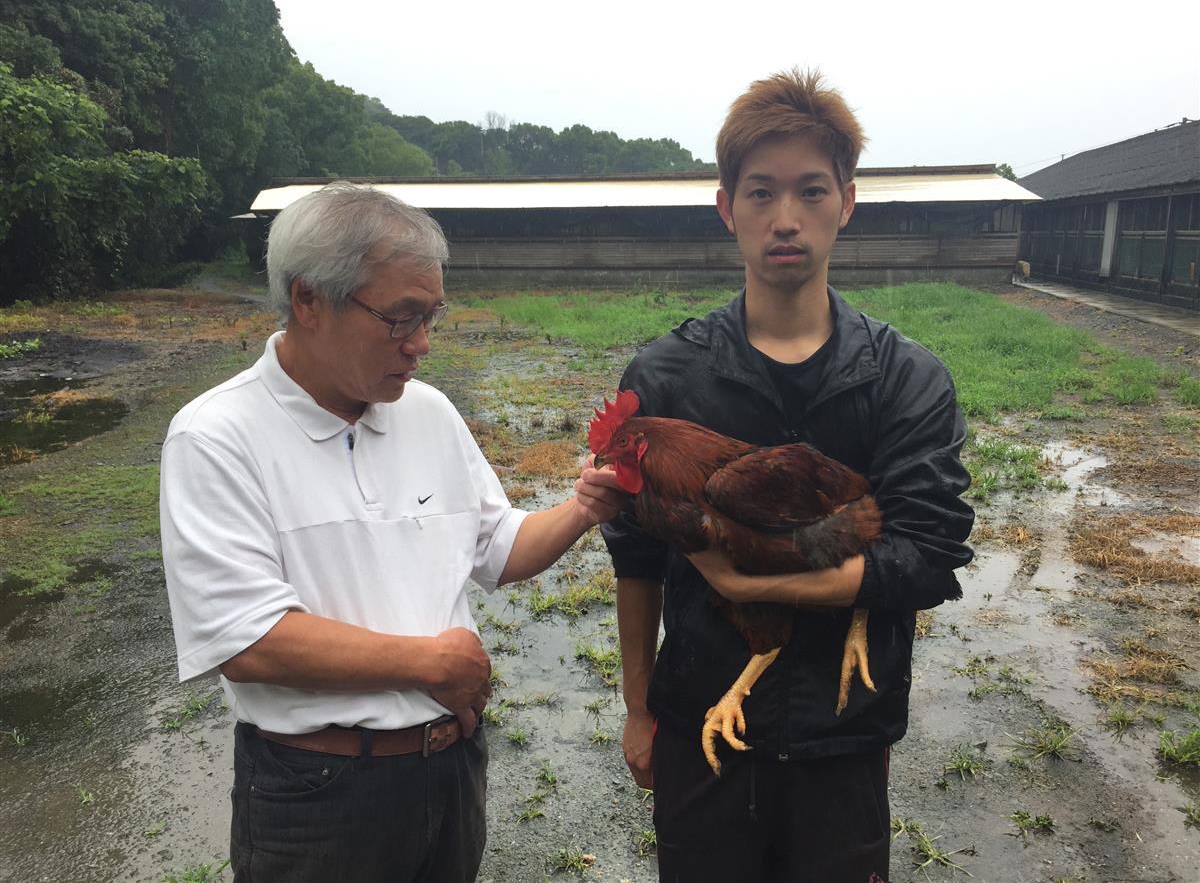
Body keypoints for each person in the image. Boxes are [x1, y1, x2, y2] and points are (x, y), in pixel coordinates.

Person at [159, 182, 628, 883]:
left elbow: (498, 549)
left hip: (449, 769)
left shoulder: (429, 413)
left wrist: (584, 508)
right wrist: (429, 665)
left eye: (431, 316)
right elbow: (246, 639)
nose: (422, 345)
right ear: (308, 298)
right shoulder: (217, 436)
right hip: (318, 793)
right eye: (400, 317)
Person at [602, 69, 975, 883]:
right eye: (762, 192)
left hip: (843, 736)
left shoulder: (905, 379)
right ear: (726, 206)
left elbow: (927, 555)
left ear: (847, 201)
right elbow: (635, 561)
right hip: (700, 717)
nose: (785, 218)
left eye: (810, 192)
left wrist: (758, 584)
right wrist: (637, 708)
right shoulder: (666, 376)